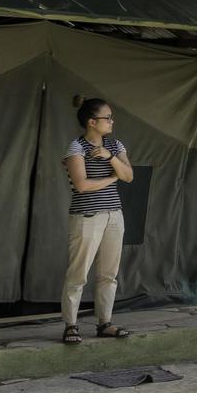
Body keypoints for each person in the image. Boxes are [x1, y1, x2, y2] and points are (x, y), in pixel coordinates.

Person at [62, 96, 135, 343]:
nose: (112, 121)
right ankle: (71, 325)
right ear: (92, 122)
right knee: (78, 273)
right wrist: (112, 178)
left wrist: (109, 157)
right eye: (107, 117)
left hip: (114, 214)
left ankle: (105, 323)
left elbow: (129, 175)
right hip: (87, 215)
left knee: (108, 274)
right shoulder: (77, 148)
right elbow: (82, 185)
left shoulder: (115, 146)